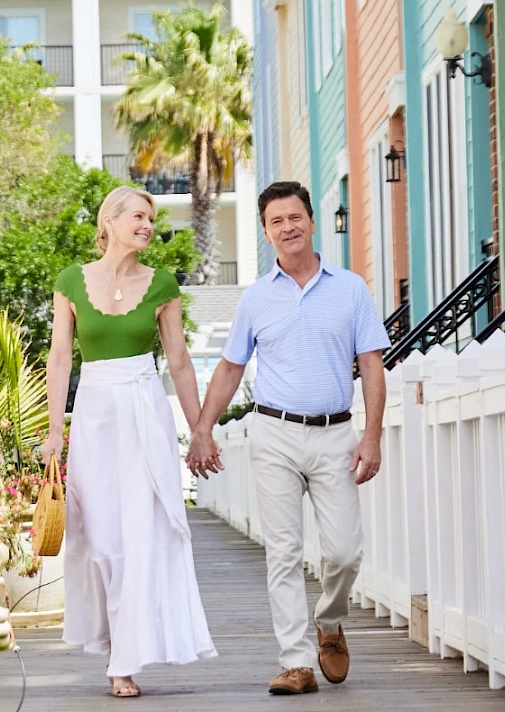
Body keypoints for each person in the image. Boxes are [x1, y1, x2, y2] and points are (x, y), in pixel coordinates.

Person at [186, 180, 389, 696]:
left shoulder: (351, 289)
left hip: (336, 434)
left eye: (295, 217)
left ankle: (330, 619)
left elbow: (371, 365)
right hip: (273, 431)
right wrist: (203, 429)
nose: (288, 227)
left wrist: (372, 435)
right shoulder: (256, 298)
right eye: (276, 221)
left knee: (344, 552)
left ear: (311, 221)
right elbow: (230, 369)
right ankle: (296, 661)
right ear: (266, 232)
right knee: (282, 550)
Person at [42, 185, 216, 698]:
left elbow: (179, 362)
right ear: (110, 221)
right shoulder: (71, 281)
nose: (147, 224)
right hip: (94, 416)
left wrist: (200, 429)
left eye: (151, 217)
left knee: (139, 531)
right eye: (138, 215)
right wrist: (55, 430)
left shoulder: (162, 284)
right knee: (99, 535)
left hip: (145, 412)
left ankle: (124, 660)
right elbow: (58, 359)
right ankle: (115, 637)